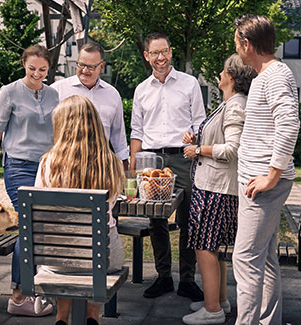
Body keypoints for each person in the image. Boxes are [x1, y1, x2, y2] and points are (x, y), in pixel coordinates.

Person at [232, 15, 300, 324]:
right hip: (260, 181)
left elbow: (289, 125)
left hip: (263, 185)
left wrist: (271, 176)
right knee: (267, 258)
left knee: (245, 258)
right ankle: (268, 320)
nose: (236, 47)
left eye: (237, 42)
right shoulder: (267, 75)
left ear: (247, 44)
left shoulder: (274, 76)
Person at [35, 95, 125, 325]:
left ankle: (61, 317)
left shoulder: (47, 163)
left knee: (68, 256)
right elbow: (111, 205)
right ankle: (92, 316)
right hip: (102, 259)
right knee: (94, 257)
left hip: (56, 258)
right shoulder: (112, 163)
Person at [181, 54, 257, 324]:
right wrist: (198, 137)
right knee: (214, 246)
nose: (220, 73)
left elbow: (232, 149)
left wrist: (197, 149)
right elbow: (222, 137)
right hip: (212, 186)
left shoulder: (235, 105)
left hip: (216, 189)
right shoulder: (229, 103)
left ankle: (212, 310)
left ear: (232, 78)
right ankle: (219, 300)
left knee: (205, 247)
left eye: (224, 70)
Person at [130, 32, 206, 300]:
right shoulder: (141, 89)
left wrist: (194, 137)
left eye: (165, 51)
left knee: (188, 219)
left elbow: (200, 121)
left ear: (171, 52)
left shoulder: (189, 84)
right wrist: (134, 165)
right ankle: (163, 277)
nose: (160, 57)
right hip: (152, 160)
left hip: (184, 158)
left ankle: (187, 279)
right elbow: (137, 130)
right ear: (146, 55)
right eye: (155, 53)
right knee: (156, 220)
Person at [0, 44, 58, 316]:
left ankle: (37, 287)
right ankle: (17, 295)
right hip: (19, 168)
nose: (37, 74)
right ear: (23, 65)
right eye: (32, 69)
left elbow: (57, 133)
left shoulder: (53, 94)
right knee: (28, 225)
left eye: (43, 69)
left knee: (42, 227)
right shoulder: (9, 92)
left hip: (47, 168)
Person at [51, 41, 129, 168]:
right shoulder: (57, 90)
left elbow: (118, 135)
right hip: (64, 164)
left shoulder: (112, 95)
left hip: (100, 166)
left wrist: (124, 166)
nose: (85, 70)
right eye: (81, 65)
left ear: (102, 66)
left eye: (91, 67)